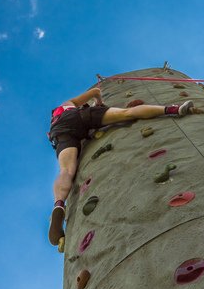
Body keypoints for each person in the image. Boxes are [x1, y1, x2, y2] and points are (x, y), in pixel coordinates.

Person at [47, 86, 193, 246]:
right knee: (127, 113)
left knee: (66, 170)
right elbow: (95, 92)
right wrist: (98, 103)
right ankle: (173, 109)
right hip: (80, 116)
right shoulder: (68, 104)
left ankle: (59, 203)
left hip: (60, 133)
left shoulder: (55, 119)